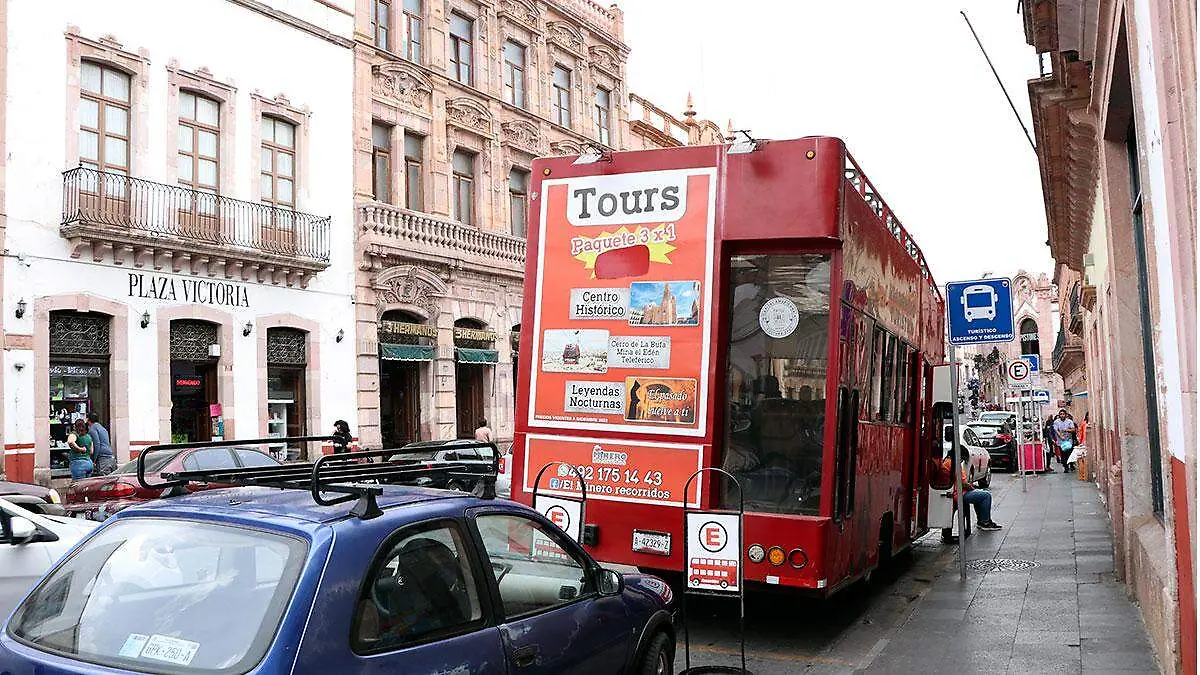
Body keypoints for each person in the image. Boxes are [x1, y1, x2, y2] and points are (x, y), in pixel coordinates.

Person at [942, 448, 1002, 531]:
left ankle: (982, 521)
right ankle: (985, 522)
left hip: (955, 491)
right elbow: (963, 483)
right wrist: (972, 488)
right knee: (986, 496)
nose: (962, 461)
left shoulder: (947, 462)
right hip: (958, 493)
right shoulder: (954, 464)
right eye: (962, 459)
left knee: (979, 495)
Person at [86, 412, 117, 476]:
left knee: (104, 483)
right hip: (111, 458)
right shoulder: (102, 428)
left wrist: (93, 460)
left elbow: (97, 444)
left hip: (103, 460)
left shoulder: (92, 429)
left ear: (88, 420)